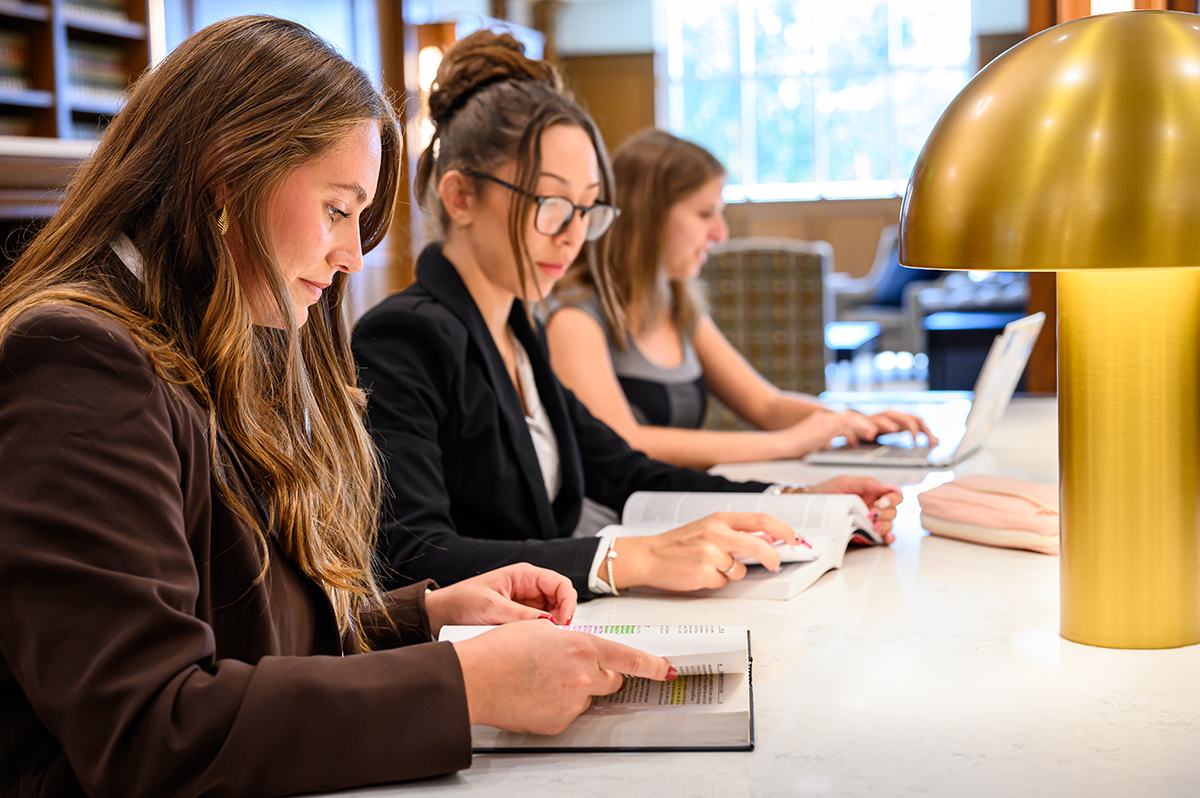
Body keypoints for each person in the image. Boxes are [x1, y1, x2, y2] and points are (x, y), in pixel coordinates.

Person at [0, 17, 680, 798]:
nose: (354, 255)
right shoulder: (76, 360)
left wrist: (424, 619)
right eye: (336, 209)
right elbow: (150, 728)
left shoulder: (213, 332)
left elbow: (249, 635)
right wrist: (464, 683)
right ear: (227, 174)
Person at [352, 32, 902, 604]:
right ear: (461, 197)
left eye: (587, 209)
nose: (573, 235)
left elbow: (626, 471)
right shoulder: (404, 337)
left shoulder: (518, 329)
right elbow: (412, 555)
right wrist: (630, 557)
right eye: (552, 205)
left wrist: (796, 500)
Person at [545, 128, 935, 470]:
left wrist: (854, 421)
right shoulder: (575, 318)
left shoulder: (676, 302)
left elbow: (766, 405)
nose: (721, 234)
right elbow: (626, 441)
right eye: (705, 214)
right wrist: (786, 444)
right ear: (646, 217)